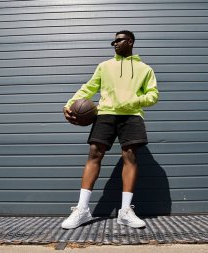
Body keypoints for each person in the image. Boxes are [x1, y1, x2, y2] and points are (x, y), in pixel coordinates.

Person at [61, 30, 159, 229]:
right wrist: (70, 104)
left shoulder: (144, 69)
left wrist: (132, 101)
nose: (114, 43)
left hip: (132, 116)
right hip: (105, 113)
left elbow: (153, 94)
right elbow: (89, 88)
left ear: (130, 41)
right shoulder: (104, 66)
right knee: (94, 154)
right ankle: (82, 210)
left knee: (130, 156)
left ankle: (125, 211)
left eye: (118, 40)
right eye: (113, 41)